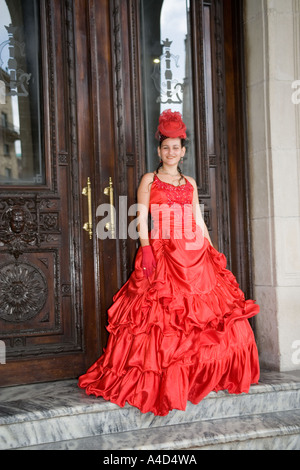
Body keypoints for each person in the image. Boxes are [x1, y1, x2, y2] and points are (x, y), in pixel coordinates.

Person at [78, 109, 260, 416]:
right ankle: (163, 378)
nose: (171, 152)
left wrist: (213, 252)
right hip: (162, 253)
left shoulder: (189, 181)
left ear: (183, 151)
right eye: (166, 147)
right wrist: (146, 249)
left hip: (193, 251)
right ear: (159, 151)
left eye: (176, 147)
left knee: (204, 318)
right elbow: (139, 217)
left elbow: (198, 221)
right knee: (162, 320)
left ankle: (198, 376)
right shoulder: (149, 179)